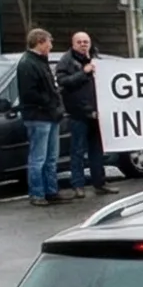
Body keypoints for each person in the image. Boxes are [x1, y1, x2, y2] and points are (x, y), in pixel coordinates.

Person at [14, 27, 67, 206]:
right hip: (38, 115)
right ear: (39, 42)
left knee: (51, 157)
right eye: (49, 42)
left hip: (49, 115)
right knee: (38, 158)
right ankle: (37, 193)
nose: (51, 46)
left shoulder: (40, 61)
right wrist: (51, 103)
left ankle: (51, 190)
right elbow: (30, 93)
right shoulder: (28, 64)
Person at [56, 31, 109, 194]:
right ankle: (78, 185)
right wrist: (83, 73)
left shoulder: (96, 58)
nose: (83, 45)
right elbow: (63, 82)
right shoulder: (66, 61)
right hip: (78, 113)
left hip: (96, 112)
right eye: (79, 42)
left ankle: (99, 183)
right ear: (73, 44)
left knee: (97, 150)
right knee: (77, 151)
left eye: (86, 42)